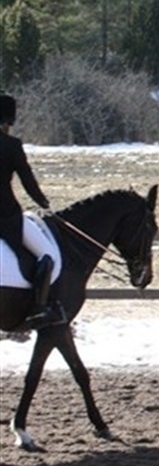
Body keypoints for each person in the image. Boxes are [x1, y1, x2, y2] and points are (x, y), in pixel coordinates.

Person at [0, 93, 62, 328]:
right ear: (7, 120)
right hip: (6, 216)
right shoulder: (11, 145)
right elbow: (27, 180)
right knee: (46, 256)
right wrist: (44, 203)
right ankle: (38, 309)